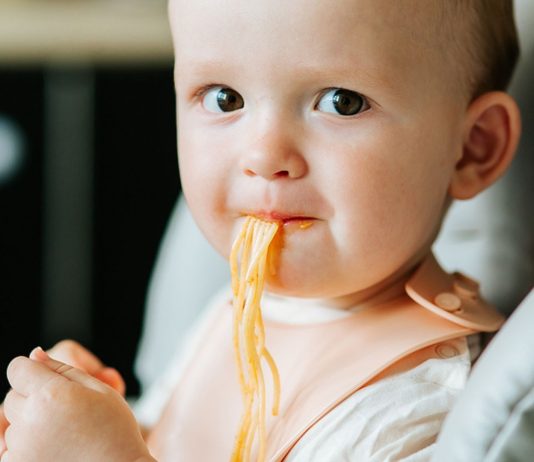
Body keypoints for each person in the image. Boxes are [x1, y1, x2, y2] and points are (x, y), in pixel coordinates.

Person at [0, 0, 521, 460]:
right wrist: (100, 419)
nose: (264, 155)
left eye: (342, 101)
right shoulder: (240, 310)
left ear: (473, 147)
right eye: (225, 98)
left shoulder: (415, 402)